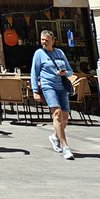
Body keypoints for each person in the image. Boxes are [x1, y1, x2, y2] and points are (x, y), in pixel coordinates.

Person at [31, 29, 75, 160]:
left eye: (46, 40)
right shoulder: (39, 53)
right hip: (48, 85)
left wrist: (64, 73)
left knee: (65, 118)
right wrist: (35, 90)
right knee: (57, 114)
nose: (44, 42)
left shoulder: (59, 53)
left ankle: (55, 136)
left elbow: (70, 70)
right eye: (42, 39)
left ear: (52, 41)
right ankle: (65, 147)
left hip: (61, 87)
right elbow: (34, 72)